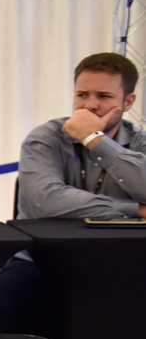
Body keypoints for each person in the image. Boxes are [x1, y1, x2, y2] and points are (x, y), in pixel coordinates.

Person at [17, 52, 146, 219]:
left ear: (128, 102)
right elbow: (46, 202)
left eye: (104, 96)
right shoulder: (46, 138)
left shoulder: (140, 142)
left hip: (120, 237)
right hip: (48, 236)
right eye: (82, 95)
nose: (90, 105)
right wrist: (137, 209)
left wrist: (95, 140)